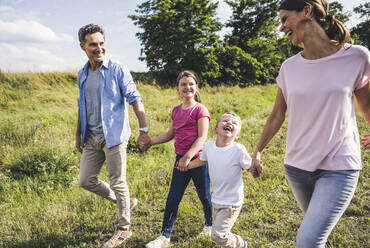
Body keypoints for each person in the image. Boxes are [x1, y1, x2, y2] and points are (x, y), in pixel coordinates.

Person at [249, 1, 370, 247]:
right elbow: (276, 115)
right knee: (316, 235)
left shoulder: (356, 56)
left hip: (340, 166)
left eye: (285, 19)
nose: (282, 28)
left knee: (308, 240)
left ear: (306, 11)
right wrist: (258, 151)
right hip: (296, 167)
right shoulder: (289, 68)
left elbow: (366, 104)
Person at [75, 24, 150, 248]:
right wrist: (78, 133)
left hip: (114, 136)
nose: (99, 48)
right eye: (93, 44)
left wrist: (143, 130)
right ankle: (127, 202)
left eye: (101, 43)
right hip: (92, 137)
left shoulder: (118, 69)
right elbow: (82, 106)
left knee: (118, 181)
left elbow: (135, 99)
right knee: (86, 180)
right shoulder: (82, 73)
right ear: (83, 46)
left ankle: (124, 228)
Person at [145, 70, 213, 248]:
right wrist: (151, 142)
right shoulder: (176, 111)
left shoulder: (200, 109)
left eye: (191, 84)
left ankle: (210, 225)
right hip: (180, 161)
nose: (187, 87)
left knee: (204, 195)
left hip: (198, 160)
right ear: (177, 89)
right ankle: (164, 237)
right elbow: (170, 134)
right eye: (183, 84)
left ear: (196, 87)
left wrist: (187, 158)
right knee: (173, 198)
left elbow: (202, 138)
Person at [183, 112, 251, 248]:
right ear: (215, 129)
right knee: (220, 230)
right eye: (225, 121)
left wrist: (256, 168)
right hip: (217, 199)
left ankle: (239, 243)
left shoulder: (238, 150)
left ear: (237, 134)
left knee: (217, 235)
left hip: (231, 202)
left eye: (234, 123)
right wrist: (186, 166)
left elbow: (250, 168)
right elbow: (202, 160)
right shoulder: (209, 146)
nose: (229, 123)